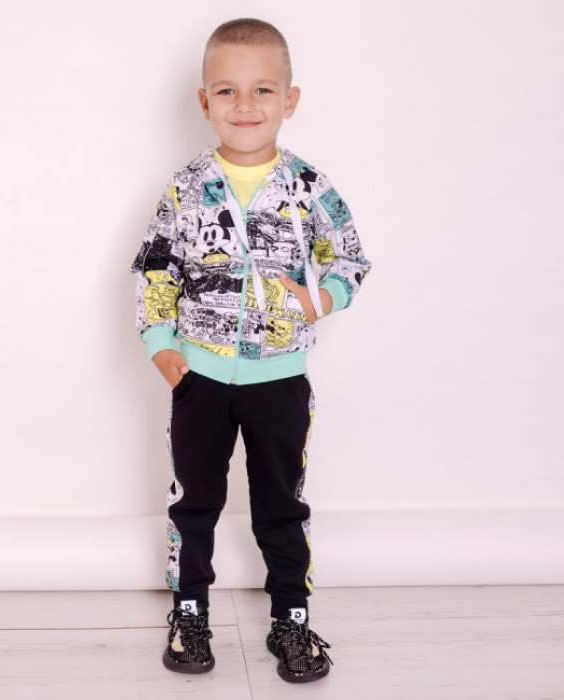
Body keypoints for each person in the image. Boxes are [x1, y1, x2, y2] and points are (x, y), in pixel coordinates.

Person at [131, 17, 371, 684]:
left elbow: (350, 258)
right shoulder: (185, 186)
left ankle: (290, 618)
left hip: (280, 380)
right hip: (199, 379)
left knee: (282, 504)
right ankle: (189, 613)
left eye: (262, 90)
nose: (245, 106)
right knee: (194, 502)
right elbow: (155, 267)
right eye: (227, 91)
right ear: (204, 101)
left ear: (289, 100)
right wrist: (161, 345)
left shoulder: (309, 186)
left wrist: (320, 300)